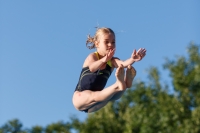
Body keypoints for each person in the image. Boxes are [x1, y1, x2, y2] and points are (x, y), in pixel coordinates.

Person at [72, 27, 146, 113]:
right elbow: (92, 68)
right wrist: (103, 60)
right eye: (106, 42)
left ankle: (125, 82)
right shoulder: (93, 57)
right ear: (97, 44)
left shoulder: (112, 61)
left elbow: (123, 64)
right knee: (95, 95)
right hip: (80, 97)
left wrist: (133, 59)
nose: (110, 44)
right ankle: (119, 84)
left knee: (113, 96)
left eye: (113, 42)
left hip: (96, 103)